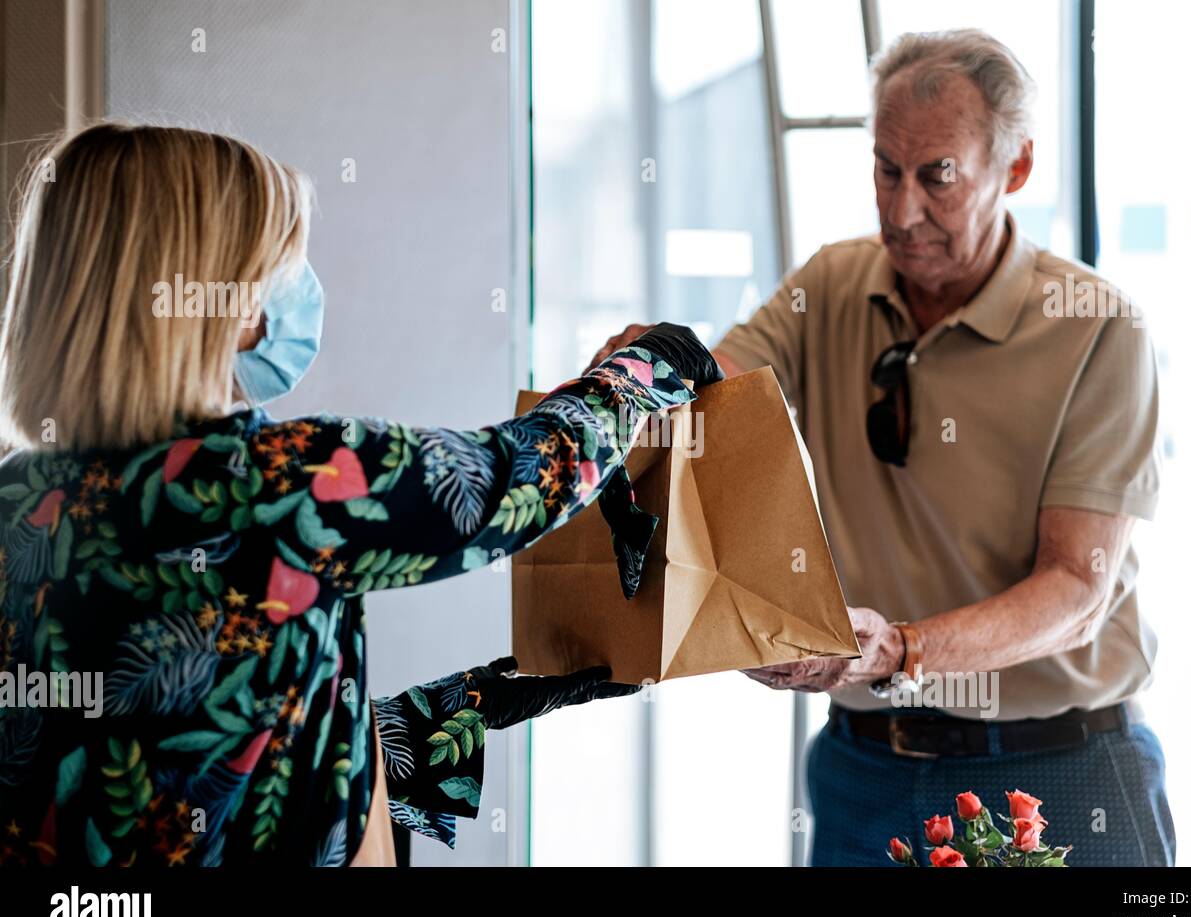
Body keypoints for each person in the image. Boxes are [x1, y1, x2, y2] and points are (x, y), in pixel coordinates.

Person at [0, 122, 722, 866]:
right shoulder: (281, 483)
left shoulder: (18, 502)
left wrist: (448, 717)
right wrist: (641, 371)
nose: (295, 290)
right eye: (276, 265)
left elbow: (171, 756)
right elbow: (519, 478)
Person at [590, 29, 1174, 866]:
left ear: (1014, 170)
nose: (901, 212)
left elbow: (1075, 593)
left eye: (937, 176)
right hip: (865, 767)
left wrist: (900, 648)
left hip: (1059, 770)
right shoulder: (831, 285)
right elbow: (714, 390)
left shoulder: (1099, 328)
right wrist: (649, 369)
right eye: (885, 170)